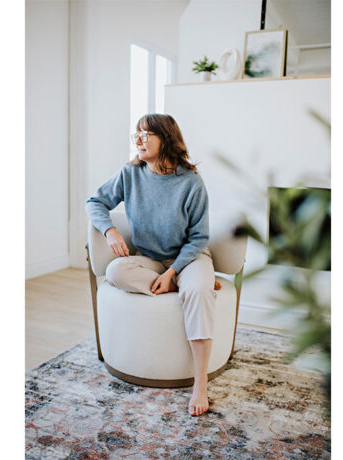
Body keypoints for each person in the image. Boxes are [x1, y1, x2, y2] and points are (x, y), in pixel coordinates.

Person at [85, 113, 220, 416]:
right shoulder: (130, 174)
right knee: (116, 271)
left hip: (189, 256)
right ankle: (193, 283)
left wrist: (175, 271)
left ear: (166, 138)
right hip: (150, 260)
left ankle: (200, 383)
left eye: (146, 134)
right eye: (137, 134)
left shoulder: (190, 182)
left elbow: (199, 237)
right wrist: (111, 230)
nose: (138, 140)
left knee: (197, 293)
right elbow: (94, 202)